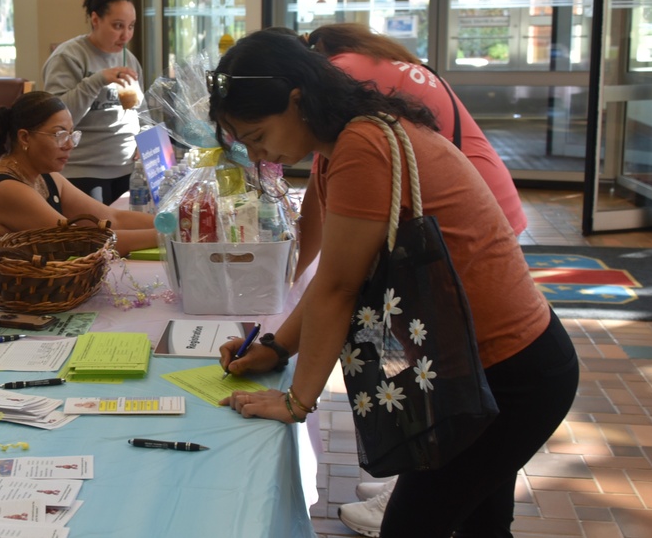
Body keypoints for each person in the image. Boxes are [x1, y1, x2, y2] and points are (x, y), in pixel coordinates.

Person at [209, 30, 578, 538]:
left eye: (256, 135)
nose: (257, 154)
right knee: (480, 525)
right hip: (499, 367)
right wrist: (275, 349)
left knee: (413, 526)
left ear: (297, 101)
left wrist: (298, 400)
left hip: (512, 373)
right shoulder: (341, 143)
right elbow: (332, 280)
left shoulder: (362, 147)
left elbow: (338, 288)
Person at [294, 22, 526, 281]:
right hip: (488, 188)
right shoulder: (371, 58)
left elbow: (317, 209)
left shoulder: (340, 73)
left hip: (468, 204)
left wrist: (286, 282)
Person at [0, 91, 157, 287]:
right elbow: (83, 243)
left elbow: (112, 217)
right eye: (59, 134)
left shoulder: (45, 175)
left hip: (29, 291)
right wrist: (166, 235)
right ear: (24, 137)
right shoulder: (8, 188)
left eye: (71, 134)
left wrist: (170, 223)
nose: (69, 145)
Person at [42, 0, 143, 204]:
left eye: (131, 26)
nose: (125, 35)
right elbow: (55, 121)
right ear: (95, 19)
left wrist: (143, 142)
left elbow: (140, 112)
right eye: (118, 26)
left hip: (127, 167)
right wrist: (97, 80)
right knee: (99, 235)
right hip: (83, 170)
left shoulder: (129, 60)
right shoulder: (69, 57)